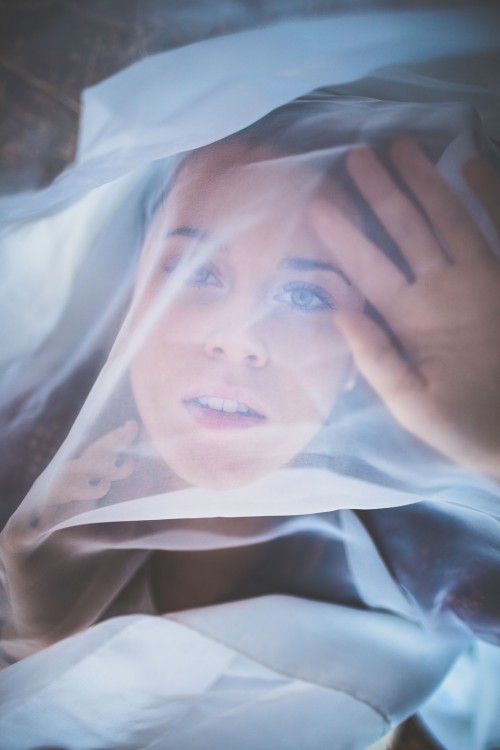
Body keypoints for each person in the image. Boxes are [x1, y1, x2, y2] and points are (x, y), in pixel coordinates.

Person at [1, 91, 500, 749]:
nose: (238, 338)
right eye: (197, 272)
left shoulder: (426, 539)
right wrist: (28, 643)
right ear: (134, 287)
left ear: (370, 346)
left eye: (305, 294)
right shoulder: (22, 453)